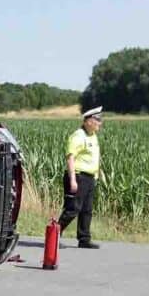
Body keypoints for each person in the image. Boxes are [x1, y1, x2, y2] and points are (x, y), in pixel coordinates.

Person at [59, 106, 104, 248]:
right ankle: (54, 233)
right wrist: (72, 180)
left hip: (90, 178)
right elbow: (70, 157)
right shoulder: (78, 135)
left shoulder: (93, 136)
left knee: (87, 210)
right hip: (78, 176)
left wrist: (97, 174)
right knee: (73, 209)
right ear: (88, 121)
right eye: (97, 119)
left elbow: (93, 157)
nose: (100, 123)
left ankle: (84, 239)